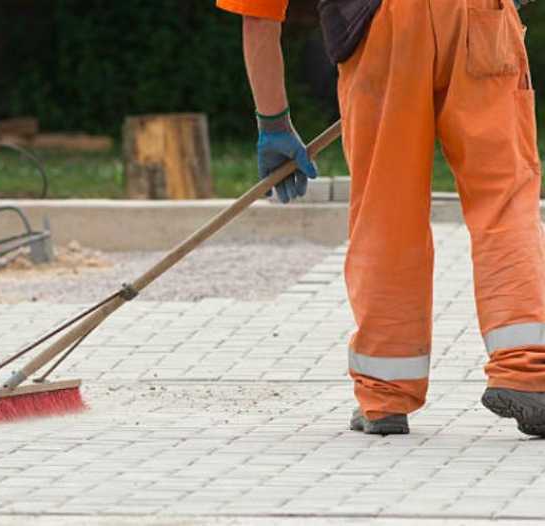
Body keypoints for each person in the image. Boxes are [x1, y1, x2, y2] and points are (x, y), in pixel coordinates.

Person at [217, 0, 545, 436]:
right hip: (479, 14)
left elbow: (258, 16)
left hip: (387, 24)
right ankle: (527, 370)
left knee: (388, 212)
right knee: (504, 202)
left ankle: (386, 390)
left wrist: (274, 122)